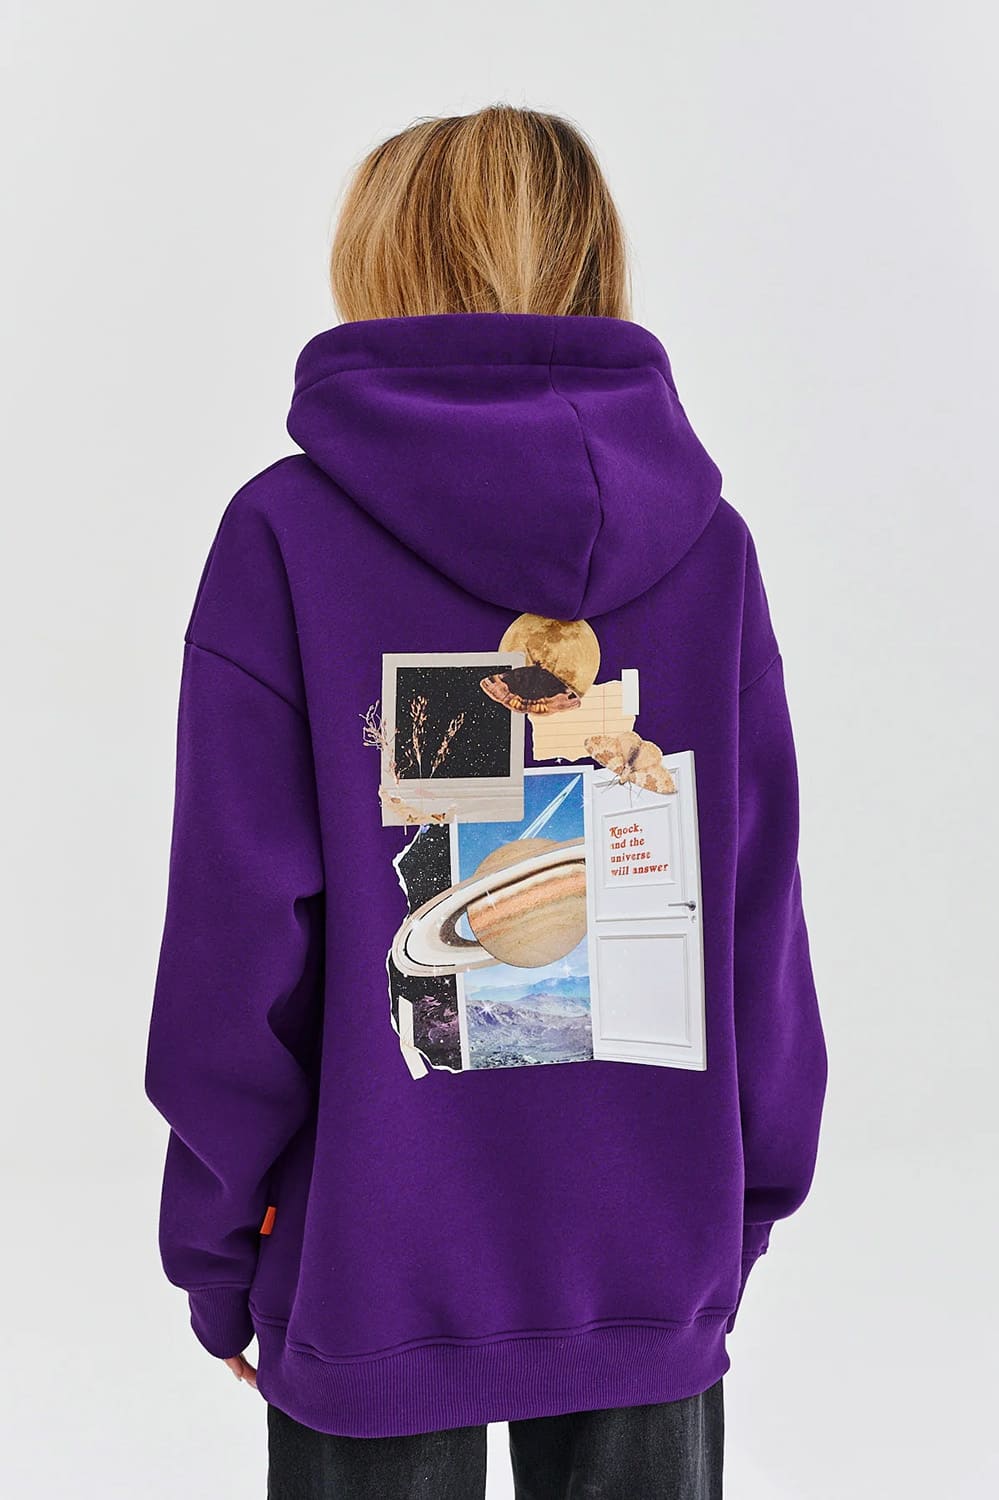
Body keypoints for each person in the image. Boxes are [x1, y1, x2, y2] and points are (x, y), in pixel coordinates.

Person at [144, 104, 828, 1499]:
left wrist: (218, 1246)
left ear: (376, 257)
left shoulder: (287, 535)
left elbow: (237, 940)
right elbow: (756, 917)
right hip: (653, 1250)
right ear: (595, 257)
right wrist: (740, 1207)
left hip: (368, 1260)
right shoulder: (710, 549)